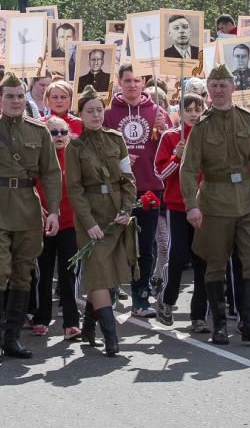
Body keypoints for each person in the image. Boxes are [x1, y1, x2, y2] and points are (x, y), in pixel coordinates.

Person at [0, 71, 61, 364]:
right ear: (0, 98)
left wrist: (53, 210)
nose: (16, 101)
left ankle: (12, 337)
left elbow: (51, 174)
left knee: (23, 272)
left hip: (27, 209)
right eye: (10, 97)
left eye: (19, 96)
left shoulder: (39, 131)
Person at [180, 63, 250, 344]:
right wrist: (191, 205)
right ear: (208, 90)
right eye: (214, 86)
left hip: (246, 200)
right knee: (216, 263)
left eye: (223, 85)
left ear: (233, 87)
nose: (219, 90)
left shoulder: (247, 120)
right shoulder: (201, 126)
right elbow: (188, 169)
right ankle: (219, 325)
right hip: (215, 201)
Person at [66, 85, 136, 355]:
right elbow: (74, 190)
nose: (96, 115)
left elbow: (127, 178)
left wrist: (127, 208)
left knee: (108, 276)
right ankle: (111, 337)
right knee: (98, 274)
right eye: (90, 111)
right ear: (80, 114)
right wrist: (89, 223)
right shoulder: (74, 147)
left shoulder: (116, 139)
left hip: (116, 214)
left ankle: (88, 327)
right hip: (92, 218)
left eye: (99, 110)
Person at [103, 63, 170, 316]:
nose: (132, 85)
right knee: (114, 243)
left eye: (137, 80)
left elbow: (169, 149)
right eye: (127, 80)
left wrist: (165, 131)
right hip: (116, 190)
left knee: (145, 246)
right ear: (119, 82)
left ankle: (141, 297)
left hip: (149, 188)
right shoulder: (108, 113)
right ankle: (111, 289)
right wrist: (117, 159)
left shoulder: (158, 112)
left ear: (144, 83)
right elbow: (98, 149)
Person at [153, 93, 209, 332]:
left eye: (198, 109)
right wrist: (177, 156)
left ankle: (199, 316)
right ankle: (167, 300)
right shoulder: (170, 137)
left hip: (206, 207)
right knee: (177, 257)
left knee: (203, 261)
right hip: (178, 207)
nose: (194, 114)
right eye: (189, 110)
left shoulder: (209, 136)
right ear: (181, 112)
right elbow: (160, 174)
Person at [31, 115, 81, 340]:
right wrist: (38, 208)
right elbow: (30, 187)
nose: (59, 136)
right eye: (53, 132)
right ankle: (41, 318)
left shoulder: (75, 156)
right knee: (43, 272)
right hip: (43, 223)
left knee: (68, 273)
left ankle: (71, 322)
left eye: (63, 132)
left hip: (70, 223)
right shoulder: (38, 157)